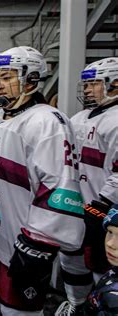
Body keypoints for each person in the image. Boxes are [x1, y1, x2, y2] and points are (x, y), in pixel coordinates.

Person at [0, 46, 85, 315]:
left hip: (22, 236)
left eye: (8, 77)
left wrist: (38, 242)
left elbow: (61, 184)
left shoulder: (48, 122)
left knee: (17, 306)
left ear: (32, 79)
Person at [55, 57, 118, 315]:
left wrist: (100, 204)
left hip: (100, 208)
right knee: (70, 256)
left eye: (94, 84)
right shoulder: (79, 117)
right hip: (76, 202)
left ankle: (99, 305)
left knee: (100, 261)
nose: (88, 90)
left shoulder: (115, 121)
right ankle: (77, 304)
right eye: (87, 84)